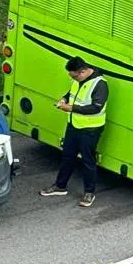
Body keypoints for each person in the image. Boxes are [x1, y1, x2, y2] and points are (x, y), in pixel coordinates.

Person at [42, 57, 108, 207]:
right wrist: (64, 99)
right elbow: (71, 93)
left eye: (74, 76)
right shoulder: (78, 80)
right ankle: (60, 186)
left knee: (88, 160)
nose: (72, 79)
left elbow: (95, 108)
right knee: (67, 156)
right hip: (73, 125)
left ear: (83, 71)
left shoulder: (100, 85)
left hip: (90, 129)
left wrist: (71, 108)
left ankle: (89, 193)